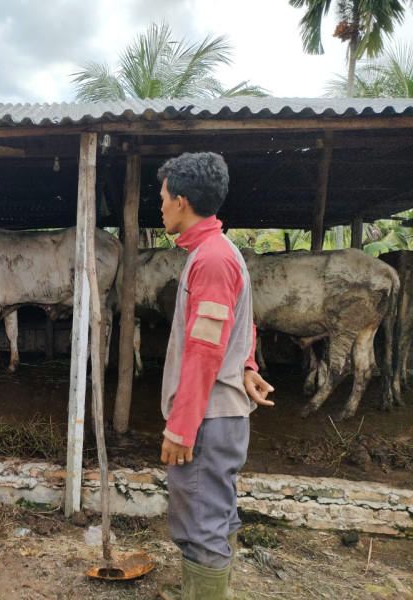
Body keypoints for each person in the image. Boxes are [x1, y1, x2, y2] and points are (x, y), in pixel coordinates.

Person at [155, 153, 274, 600]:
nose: (160, 207)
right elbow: (239, 324)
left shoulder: (212, 260)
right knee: (213, 516)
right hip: (218, 417)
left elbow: (204, 352)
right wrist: (247, 365)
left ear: (182, 201)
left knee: (202, 525)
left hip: (206, 421)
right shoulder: (219, 253)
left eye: (164, 198)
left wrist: (181, 430)